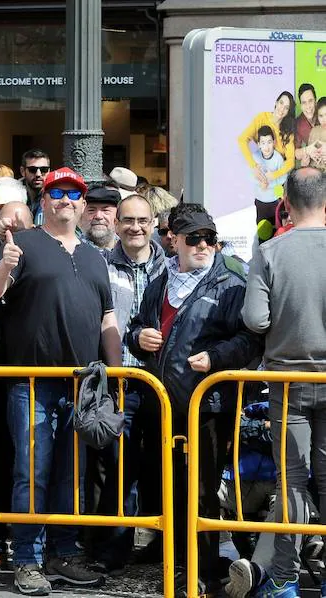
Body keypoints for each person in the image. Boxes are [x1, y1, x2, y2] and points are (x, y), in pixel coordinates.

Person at [0, 167, 121, 595]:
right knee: (31, 475)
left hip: (83, 386)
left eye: (74, 194)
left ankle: (61, 553)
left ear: (83, 204)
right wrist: (4, 266)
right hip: (32, 383)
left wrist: (114, 378)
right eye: (57, 192)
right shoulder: (21, 244)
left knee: (69, 477)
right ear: (44, 201)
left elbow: (107, 319)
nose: (66, 199)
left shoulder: (95, 254)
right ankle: (27, 559)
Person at [126, 205, 262, 597]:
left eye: (210, 238)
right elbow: (138, 323)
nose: (203, 245)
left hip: (208, 406)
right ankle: (177, 558)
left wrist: (215, 358)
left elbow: (249, 339)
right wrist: (139, 338)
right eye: (194, 238)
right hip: (164, 404)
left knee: (203, 490)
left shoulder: (230, 282)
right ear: (175, 241)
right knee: (166, 484)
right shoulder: (162, 279)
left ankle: (205, 570)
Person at [231, 167, 326, 597]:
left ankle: (284, 577)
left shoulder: (269, 251)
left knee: (292, 482)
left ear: (285, 203)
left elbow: (255, 319)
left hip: (287, 382)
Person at [84, 193, 167, 573]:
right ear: (116, 224)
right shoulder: (99, 264)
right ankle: (113, 550)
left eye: (143, 220)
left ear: (153, 224)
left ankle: (163, 545)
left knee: (160, 464)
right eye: (128, 220)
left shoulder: (171, 266)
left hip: (163, 383)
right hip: (119, 381)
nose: (135, 227)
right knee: (118, 467)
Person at [239, 91, 296, 204]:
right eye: (281, 103)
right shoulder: (261, 118)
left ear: (288, 112)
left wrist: (274, 176)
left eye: (286, 108)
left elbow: (290, 161)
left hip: (280, 177)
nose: (282, 109)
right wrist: (253, 166)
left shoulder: (288, 131)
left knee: (280, 212)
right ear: (276, 102)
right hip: (262, 173)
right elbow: (242, 139)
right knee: (262, 206)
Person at [251, 126, 288, 225]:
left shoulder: (278, 158)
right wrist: (260, 184)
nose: (266, 147)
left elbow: (283, 177)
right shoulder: (254, 157)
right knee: (262, 229)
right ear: (258, 144)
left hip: (275, 199)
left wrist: (269, 183)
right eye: (263, 143)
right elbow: (250, 176)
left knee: (277, 228)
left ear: (274, 142)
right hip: (260, 200)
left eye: (269, 142)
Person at [80, 186, 120, 252]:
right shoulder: (72, 250)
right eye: (91, 210)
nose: (98, 216)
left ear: (117, 215)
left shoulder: (128, 249)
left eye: (105, 210)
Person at [18, 149, 51, 224]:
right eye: (32, 169)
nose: (38, 174)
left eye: (44, 170)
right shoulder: (12, 194)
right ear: (23, 171)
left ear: (49, 171)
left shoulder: (55, 195)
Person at [295, 83, 318, 150]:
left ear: (315, 101)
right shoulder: (298, 123)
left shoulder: (323, 113)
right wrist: (305, 152)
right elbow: (296, 151)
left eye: (310, 101)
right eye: (304, 103)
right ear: (301, 105)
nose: (308, 106)